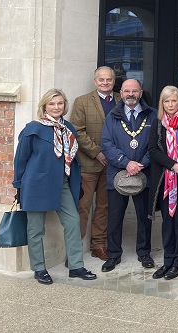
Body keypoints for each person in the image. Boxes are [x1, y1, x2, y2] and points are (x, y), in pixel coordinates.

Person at [12, 89, 97, 284]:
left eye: (60, 103)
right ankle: (39, 268)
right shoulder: (32, 129)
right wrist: (18, 186)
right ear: (44, 106)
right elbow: (20, 160)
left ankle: (76, 266)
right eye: (52, 104)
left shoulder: (68, 128)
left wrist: (78, 181)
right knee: (35, 229)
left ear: (64, 105)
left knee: (73, 222)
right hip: (36, 185)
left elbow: (73, 158)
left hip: (64, 183)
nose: (57, 107)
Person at [101, 79, 156, 272]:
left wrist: (141, 164)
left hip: (144, 174)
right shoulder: (111, 116)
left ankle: (144, 253)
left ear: (140, 93)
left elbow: (156, 144)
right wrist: (126, 163)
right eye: (127, 91)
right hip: (117, 175)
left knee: (144, 217)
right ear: (121, 93)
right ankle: (113, 255)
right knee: (115, 218)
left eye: (134, 91)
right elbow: (106, 144)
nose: (130, 94)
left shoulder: (152, 115)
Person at [69, 66, 116, 261]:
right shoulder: (82, 101)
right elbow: (77, 131)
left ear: (114, 81)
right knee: (83, 206)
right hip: (88, 164)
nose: (105, 83)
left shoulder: (121, 101)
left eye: (109, 80)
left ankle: (98, 245)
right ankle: (74, 250)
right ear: (95, 81)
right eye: (101, 79)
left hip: (111, 165)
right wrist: (97, 152)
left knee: (104, 207)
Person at [148, 86, 178, 280]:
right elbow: (153, 151)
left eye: (173, 101)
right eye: (166, 101)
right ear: (162, 103)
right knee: (167, 221)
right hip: (165, 178)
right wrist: (173, 165)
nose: (170, 105)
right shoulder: (158, 123)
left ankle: (177, 262)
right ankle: (167, 261)